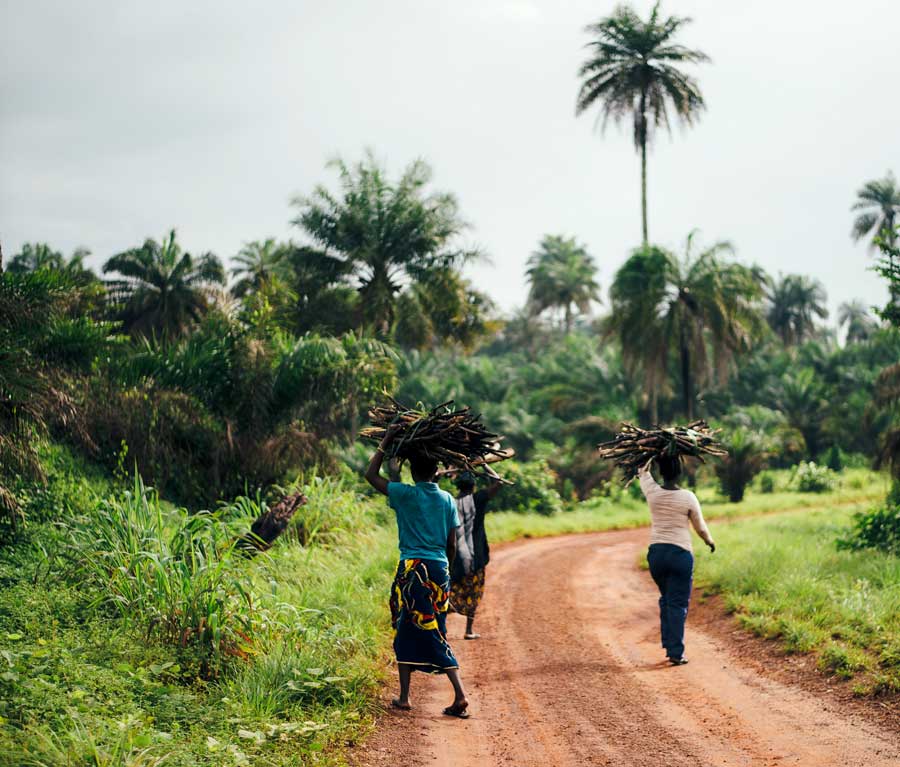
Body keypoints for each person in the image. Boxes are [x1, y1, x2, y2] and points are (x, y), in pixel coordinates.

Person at [364, 427, 470, 719]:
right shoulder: (448, 499)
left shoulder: (405, 495)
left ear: (412, 471)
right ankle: (404, 697)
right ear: (436, 470)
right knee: (425, 628)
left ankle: (458, 695)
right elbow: (451, 543)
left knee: (415, 630)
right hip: (438, 570)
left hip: (413, 570)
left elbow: (371, 476)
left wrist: (385, 442)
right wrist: (445, 573)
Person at [638, 454, 716, 666]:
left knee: (667, 599)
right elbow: (700, 527)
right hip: (680, 555)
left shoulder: (652, 492)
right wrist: (709, 541)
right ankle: (675, 651)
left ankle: (669, 644)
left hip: (657, 556)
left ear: (661, 472)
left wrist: (651, 455)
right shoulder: (688, 497)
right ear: (679, 472)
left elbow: (642, 472)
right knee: (677, 603)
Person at [449, 471, 501, 639]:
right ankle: (468, 630)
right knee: (474, 591)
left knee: (451, 590)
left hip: (455, 556)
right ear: (473, 486)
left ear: (458, 487)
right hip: (476, 555)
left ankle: (442, 629)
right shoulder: (478, 498)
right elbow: (498, 482)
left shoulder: (450, 502)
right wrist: (486, 468)